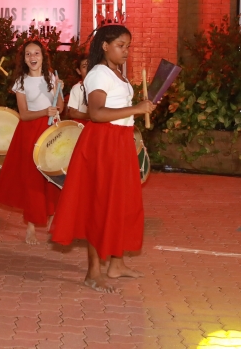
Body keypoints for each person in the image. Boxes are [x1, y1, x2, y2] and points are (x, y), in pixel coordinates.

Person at [51, 24, 156, 292]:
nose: (126, 51)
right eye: (121, 45)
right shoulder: (98, 74)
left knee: (120, 202)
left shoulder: (116, 73)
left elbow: (120, 111)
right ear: (105, 46)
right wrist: (137, 108)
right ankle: (92, 272)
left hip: (118, 141)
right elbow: (96, 113)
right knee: (100, 204)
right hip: (103, 143)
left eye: (128, 46)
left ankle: (116, 264)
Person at [0, 39, 63, 244]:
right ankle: (31, 225)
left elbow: (60, 107)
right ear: (24, 59)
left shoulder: (52, 77)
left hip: (51, 131)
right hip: (31, 131)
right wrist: (44, 112)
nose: (33, 57)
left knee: (52, 175)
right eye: (28, 54)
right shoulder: (21, 81)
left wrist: (58, 91)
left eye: (36, 53)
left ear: (43, 56)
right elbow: (23, 114)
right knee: (32, 177)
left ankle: (51, 218)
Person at [67, 55, 89, 121]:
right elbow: (72, 113)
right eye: (84, 66)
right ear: (79, 71)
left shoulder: (101, 86)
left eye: (91, 65)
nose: (88, 68)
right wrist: (91, 116)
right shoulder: (77, 88)